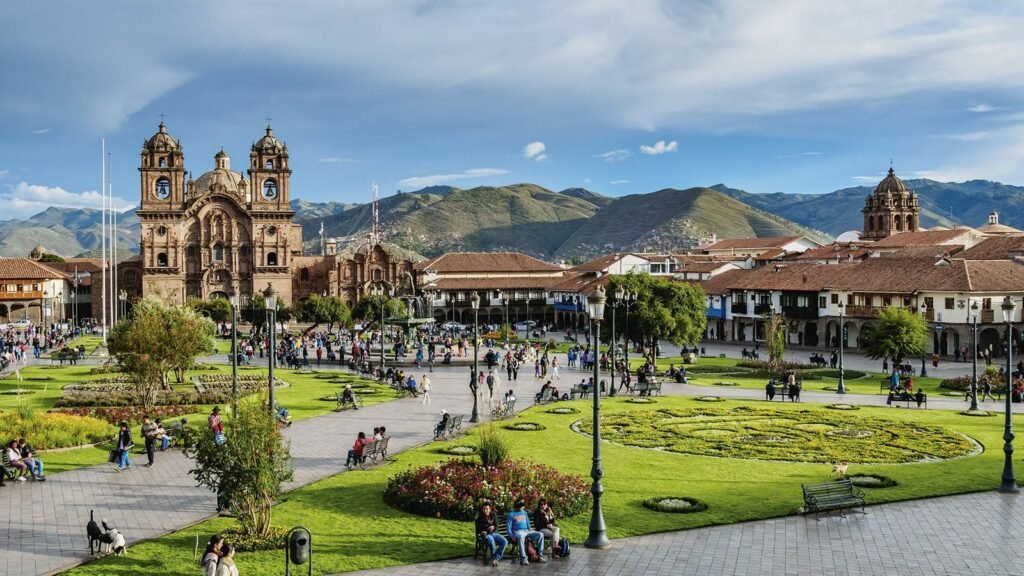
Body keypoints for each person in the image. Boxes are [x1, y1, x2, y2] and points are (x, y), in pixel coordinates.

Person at [506, 499, 546, 565]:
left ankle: (539, 555)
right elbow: (508, 528)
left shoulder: (524, 512)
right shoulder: (511, 514)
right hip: (517, 532)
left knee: (540, 534)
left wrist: (531, 530)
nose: (523, 507)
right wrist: (512, 536)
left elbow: (528, 524)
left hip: (527, 531)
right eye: (522, 506)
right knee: (521, 536)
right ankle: (523, 558)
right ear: (517, 506)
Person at [476, 501, 507, 567]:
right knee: (491, 541)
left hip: (494, 533)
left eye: (486, 509)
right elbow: (478, 529)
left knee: (504, 541)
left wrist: (493, 527)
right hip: (486, 535)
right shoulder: (479, 518)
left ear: (489, 509)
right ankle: (494, 559)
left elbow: (496, 526)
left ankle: (496, 558)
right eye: (483, 509)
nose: (485, 510)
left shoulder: (493, 515)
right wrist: (482, 531)